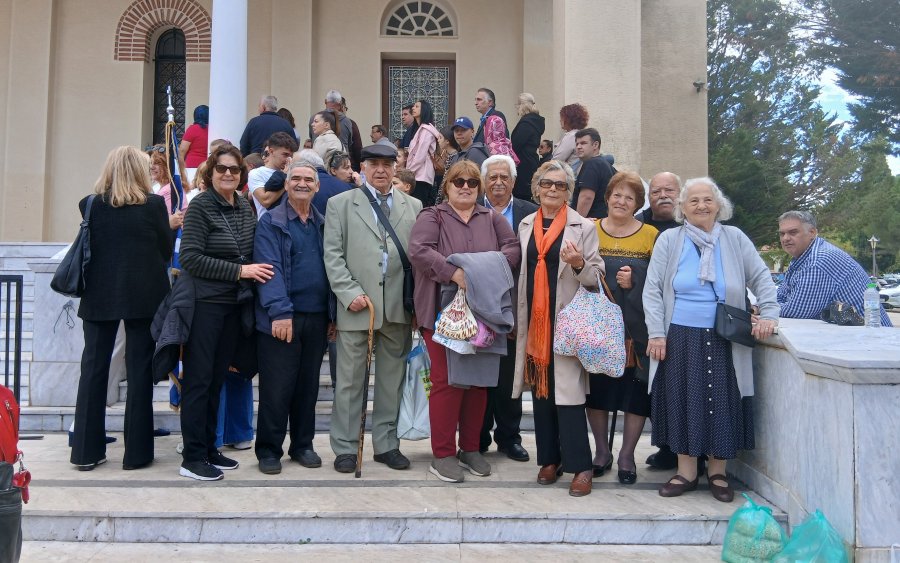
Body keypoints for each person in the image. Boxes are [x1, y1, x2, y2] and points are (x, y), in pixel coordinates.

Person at [643, 177, 779, 502]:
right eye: (694, 201)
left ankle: (718, 472)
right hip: (677, 335)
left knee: (722, 400)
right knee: (681, 400)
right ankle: (686, 472)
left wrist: (770, 312)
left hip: (725, 336)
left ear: (719, 205)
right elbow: (652, 290)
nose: (702, 206)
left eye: (708, 200)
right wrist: (657, 334)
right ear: (682, 209)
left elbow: (760, 277)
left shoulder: (734, 238)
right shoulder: (669, 241)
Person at [408, 160, 520, 482]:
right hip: (442, 313)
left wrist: (480, 270)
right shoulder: (433, 217)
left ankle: (470, 448)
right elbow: (419, 250)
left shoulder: (492, 219)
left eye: (473, 182)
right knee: (446, 382)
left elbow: (512, 250)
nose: (466, 187)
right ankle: (442, 453)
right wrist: (454, 272)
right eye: (459, 181)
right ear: (447, 186)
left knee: (479, 383)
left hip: (484, 311)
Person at [70, 146, 172, 472]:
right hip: (144, 296)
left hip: (99, 296)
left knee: (94, 371)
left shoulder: (90, 205)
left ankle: (86, 452)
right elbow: (165, 249)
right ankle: (137, 454)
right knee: (140, 372)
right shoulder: (154, 205)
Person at [177, 144, 275, 481]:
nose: (229, 174)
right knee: (199, 380)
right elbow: (189, 258)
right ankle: (191, 456)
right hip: (204, 305)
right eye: (222, 169)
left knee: (218, 378)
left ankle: (209, 448)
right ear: (210, 172)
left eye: (234, 169)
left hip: (234, 307)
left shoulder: (244, 208)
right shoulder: (201, 205)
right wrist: (240, 272)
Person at [323, 144, 423, 473]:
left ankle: (386, 443)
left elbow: (419, 257)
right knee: (350, 382)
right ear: (362, 167)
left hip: (397, 306)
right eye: (374, 164)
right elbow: (333, 254)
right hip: (357, 307)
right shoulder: (341, 204)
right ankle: (346, 446)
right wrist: (347, 291)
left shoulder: (414, 205)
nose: (381, 170)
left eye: (387, 164)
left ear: (396, 168)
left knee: (391, 381)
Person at [512, 160, 604, 497]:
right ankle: (550, 459)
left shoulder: (584, 227)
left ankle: (581, 465)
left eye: (561, 185)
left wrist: (579, 263)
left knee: (569, 396)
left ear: (569, 191)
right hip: (534, 322)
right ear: (536, 188)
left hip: (568, 322)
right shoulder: (524, 224)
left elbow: (596, 278)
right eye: (547, 184)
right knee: (540, 393)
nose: (553, 190)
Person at [253, 160, 332, 474]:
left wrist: (332, 315)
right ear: (285, 185)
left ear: (317, 186)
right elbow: (268, 270)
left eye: (308, 179)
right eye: (295, 178)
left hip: (316, 318)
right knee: (277, 388)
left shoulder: (322, 223)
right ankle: (269, 450)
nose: (302, 183)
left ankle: (302, 445)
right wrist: (281, 313)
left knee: (308, 387)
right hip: (282, 317)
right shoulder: (271, 222)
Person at [584, 171, 658, 485]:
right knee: (598, 388)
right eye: (617, 195)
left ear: (637, 204)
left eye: (629, 197)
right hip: (598, 324)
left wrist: (636, 277)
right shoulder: (590, 229)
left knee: (636, 391)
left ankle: (627, 455)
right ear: (608, 197)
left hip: (636, 329)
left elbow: (659, 280)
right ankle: (602, 451)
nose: (621, 201)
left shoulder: (652, 234)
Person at [476, 155, 537, 461]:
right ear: (484, 181)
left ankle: (509, 437)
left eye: (504, 177)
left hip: (517, 304)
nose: (498, 182)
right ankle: (478, 435)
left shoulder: (531, 213)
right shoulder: (470, 209)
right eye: (492, 177)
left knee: (510, 375)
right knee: (481, 375)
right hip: (478, 305)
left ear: (514, 181)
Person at [639, 171, 683, 472]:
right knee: (653, 389)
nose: (662, 196)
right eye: (656, 191)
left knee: (681, 388)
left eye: (669, 190)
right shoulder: (638, 224)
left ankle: (689, 451)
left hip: (683, 319)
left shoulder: (691, 224)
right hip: (644, 321)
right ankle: (666, 447)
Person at [777, 210, 892, 325]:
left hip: (872, 338)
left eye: (793, 232)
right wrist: (766, 305)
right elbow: (780, 296)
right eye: (782, 234)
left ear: (812, 232)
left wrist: (764, 308)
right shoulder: (801, 258)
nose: (785, 238)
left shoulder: (818, 261)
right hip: (853, 335)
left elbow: (797, 312)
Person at [248, 132, 298, 219]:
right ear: (271, 151)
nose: (288, 160)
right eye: (285, 155)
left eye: (291, 156)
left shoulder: (293, 172)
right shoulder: (256, 173)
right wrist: (285, 178)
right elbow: (265, 200)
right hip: (268, 226)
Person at [308, 90, 363, 171]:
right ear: (340, 104)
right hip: (341, 167)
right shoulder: (347, 122)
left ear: (325, 101)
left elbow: (311, 139)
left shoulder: (314, 118)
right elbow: (353, 147)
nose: (314, 124)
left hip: (318, 167)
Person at [571, 128, 616, 219]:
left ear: (595, 145)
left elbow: (586, 197)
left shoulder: (592, 164)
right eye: (577, 144)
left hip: (592, 224)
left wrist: (578, 223)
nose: (578, 147)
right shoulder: (607, 166)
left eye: (583, 143)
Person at [405, 99, 440, 208]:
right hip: (418, 175)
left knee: (418, 208)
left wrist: (409, 172)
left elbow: (420, 155)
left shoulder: (426, 130)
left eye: (417, 106)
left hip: (421, 176)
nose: (413, 108)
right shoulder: (420, 129)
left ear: (424, 110)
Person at [510, 93, 545, 202]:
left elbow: (515, 144)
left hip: (523, 165)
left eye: (517, 105)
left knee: (521, 199)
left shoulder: (526, 123)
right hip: (531, 161)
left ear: (522, 105)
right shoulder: (536, 122)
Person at [147, 146, 184, 231]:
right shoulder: (162, 187)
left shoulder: (169, 190)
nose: (152, 167)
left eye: (158, 163)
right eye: (151, 163)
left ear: (169, 167)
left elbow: (161, 223)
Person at [551, 103, 589, 174]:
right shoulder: (581, 134)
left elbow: (557, 160)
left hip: (568, 176)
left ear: (568, 119)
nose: (560, 120)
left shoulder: (571, 136)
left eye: (562, 118)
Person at [180, 105, 209, 185]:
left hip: (191, 165)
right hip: (207, 165)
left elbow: (182, 151)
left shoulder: (193, 129)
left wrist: (181, 168)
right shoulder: (214, 129)